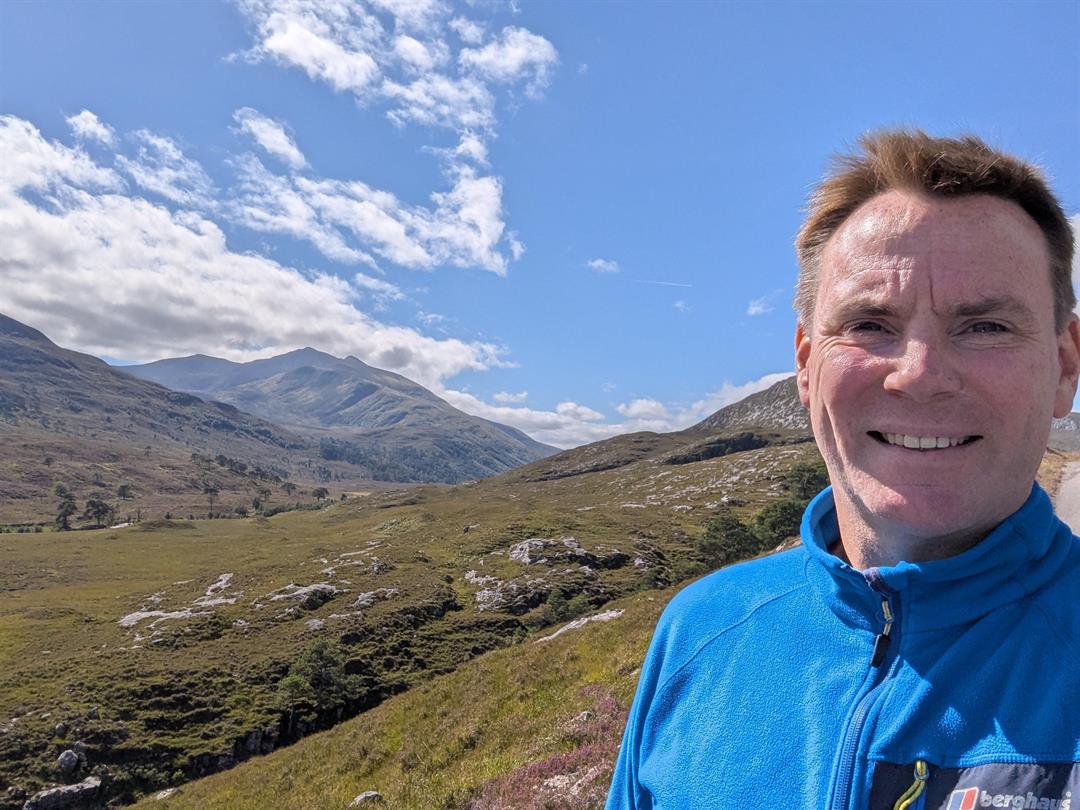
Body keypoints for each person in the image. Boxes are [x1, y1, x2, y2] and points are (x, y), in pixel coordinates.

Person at [605, 130, 1080, 809]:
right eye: (868, 324)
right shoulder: (699, 630)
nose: (919, 376)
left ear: (1064, 365)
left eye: (985, 326)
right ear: (806, 365)